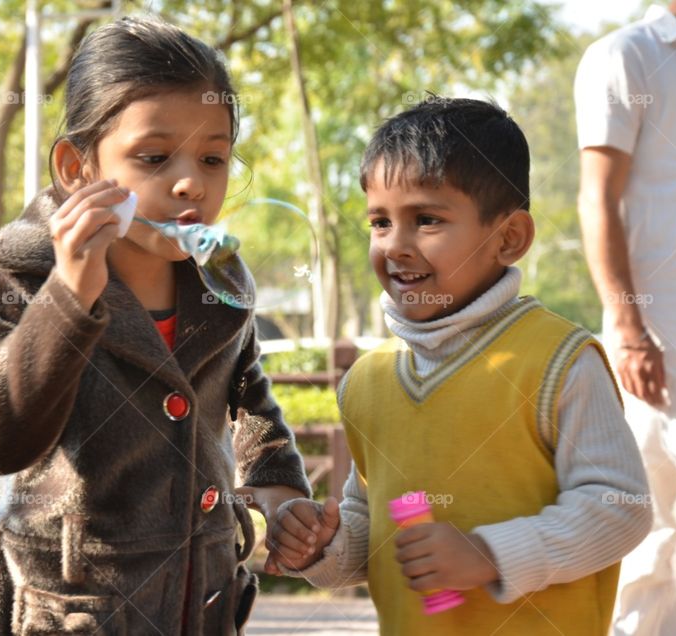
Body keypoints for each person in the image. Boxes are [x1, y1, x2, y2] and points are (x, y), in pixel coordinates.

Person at [0, 16, 310, 635]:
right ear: (77, 168)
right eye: (153, 156)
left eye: (213, 158)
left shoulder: (219, 276)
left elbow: (249, 401)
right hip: (70, 611)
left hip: (201, 600)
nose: (190, 182)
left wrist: (280, 492)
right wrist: (69, 297)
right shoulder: (28, 268)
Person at [263, 97, 652, 635]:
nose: (395, 245)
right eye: (380, 222)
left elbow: (621, 507)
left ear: (509, 238)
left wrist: (490, 554)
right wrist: (324, 545)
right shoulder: (368, 383)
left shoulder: (558, 361)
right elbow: (370, 520)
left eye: (426, 219)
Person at [574, 3, 676, 634]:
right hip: (658, 339)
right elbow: (598, 195)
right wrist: (627, 327)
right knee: (647, 529)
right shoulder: (626, 55)